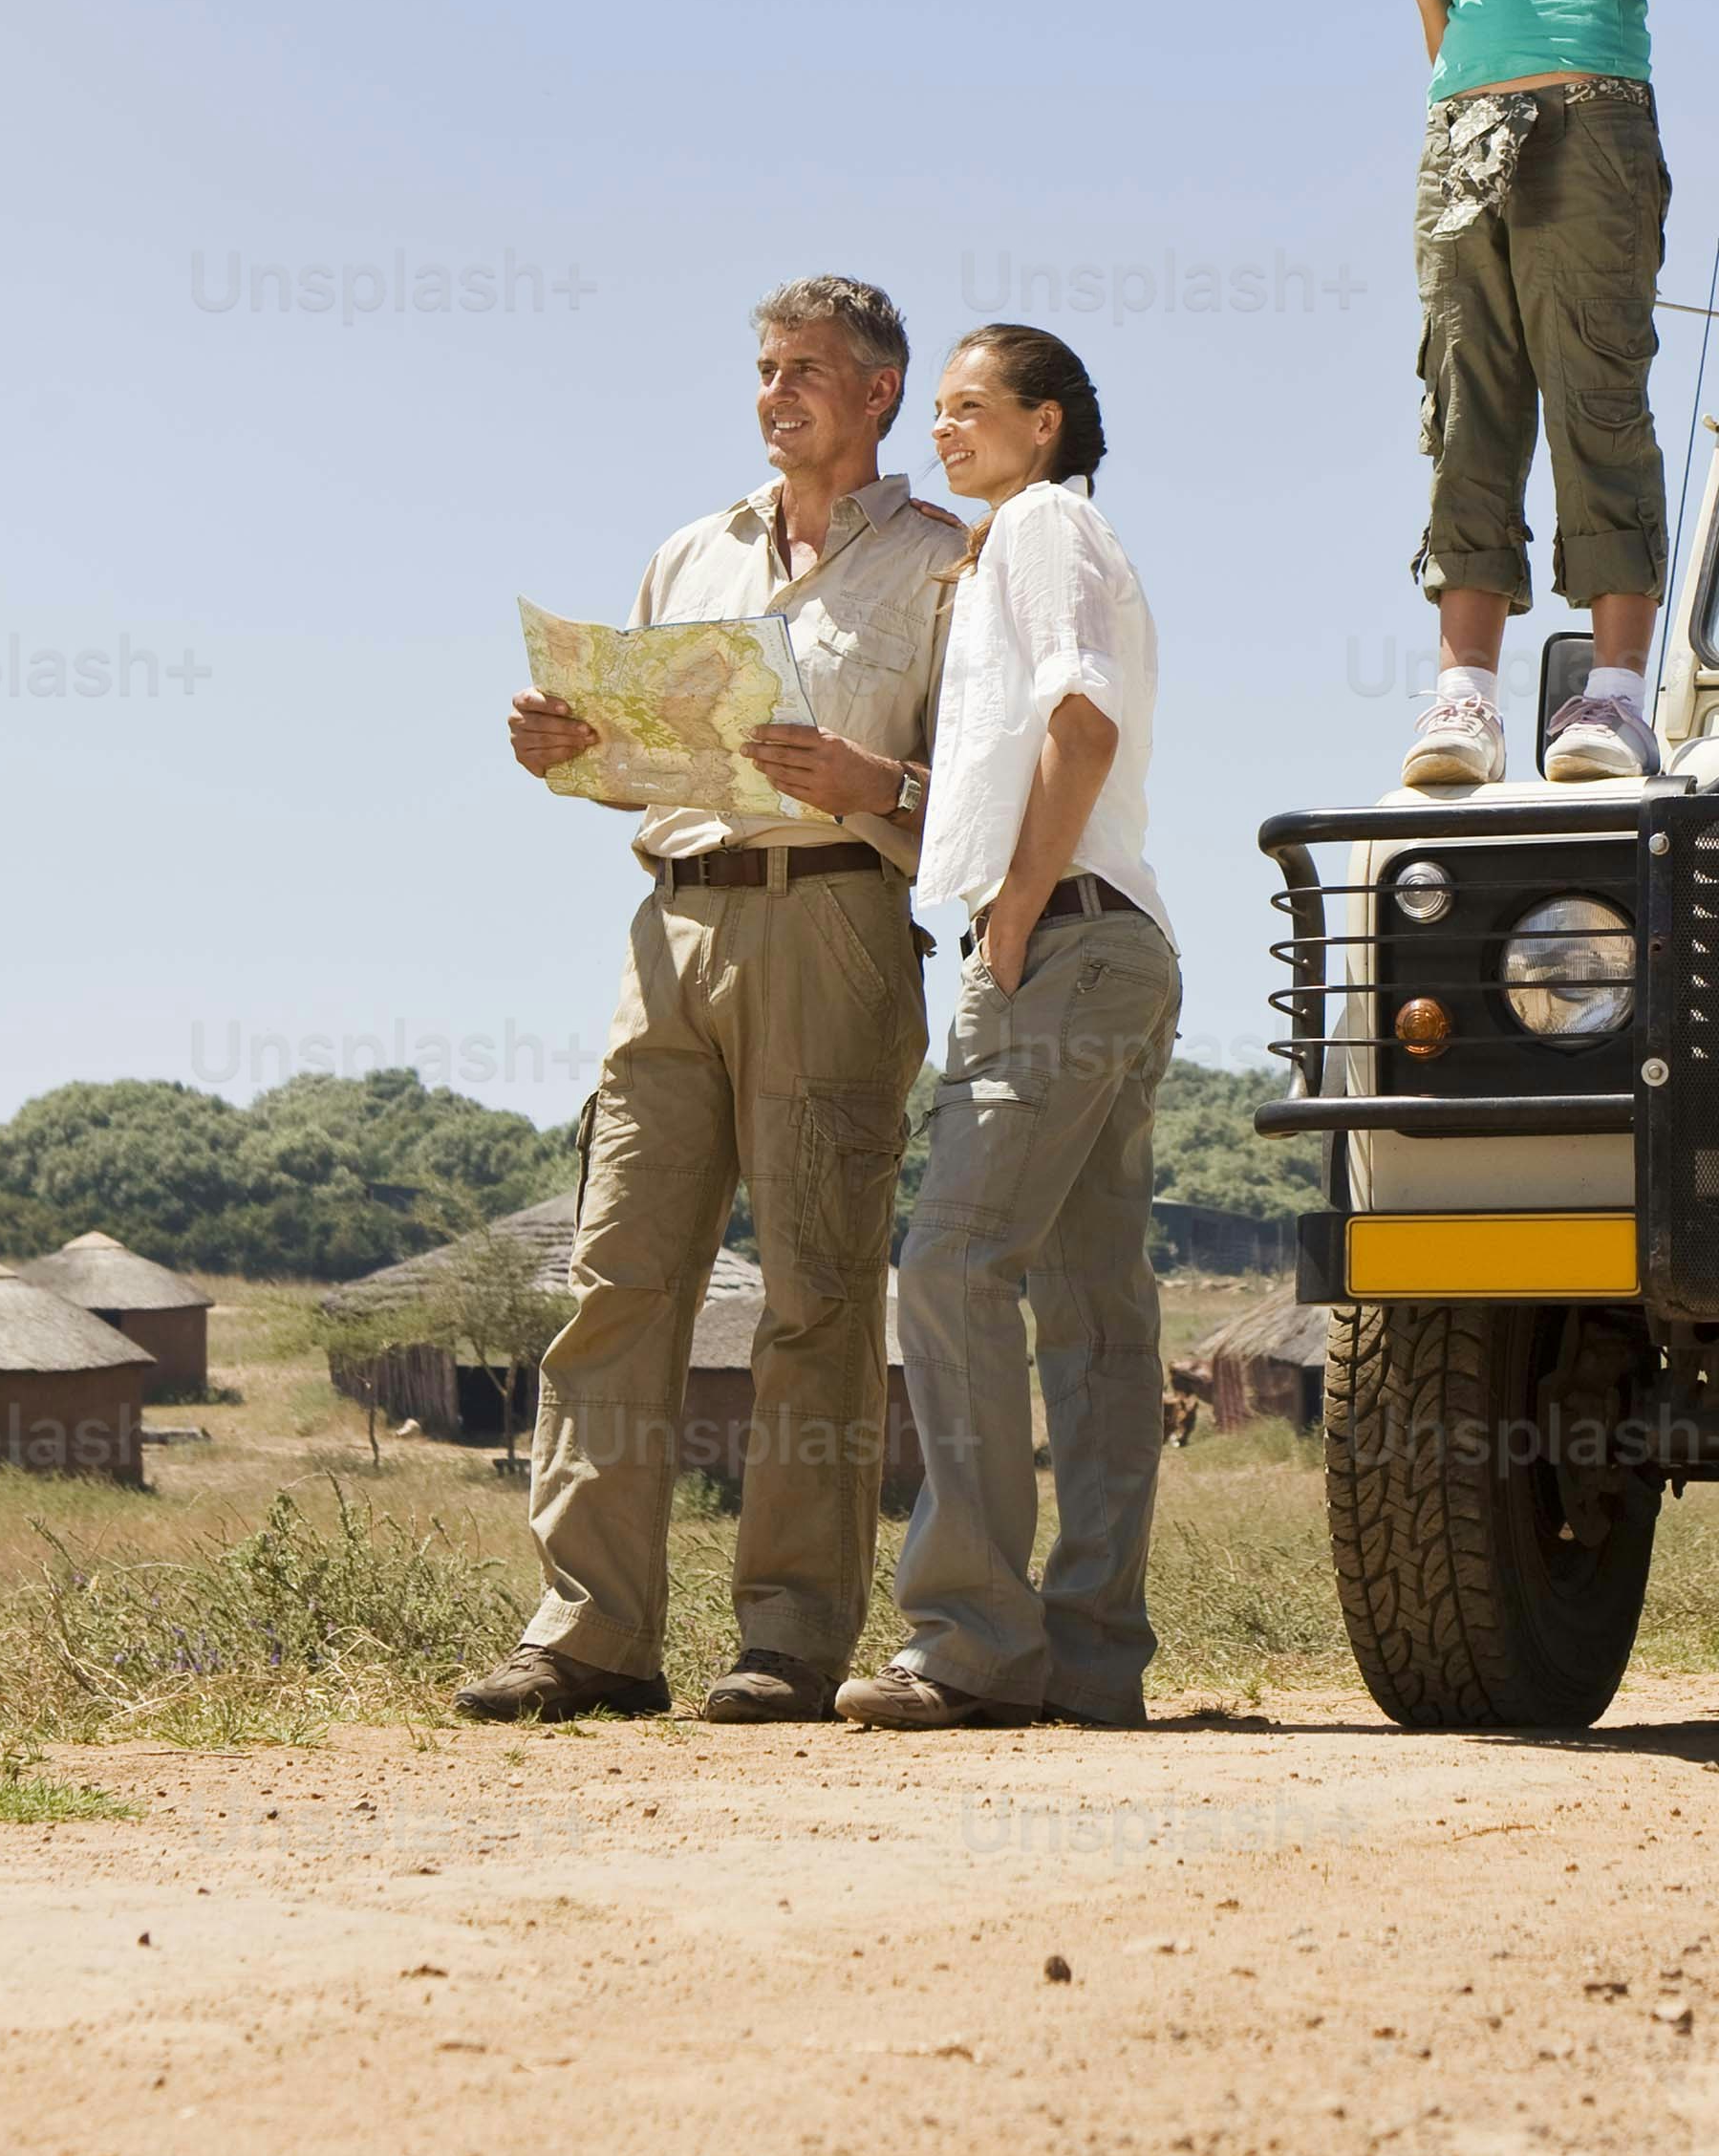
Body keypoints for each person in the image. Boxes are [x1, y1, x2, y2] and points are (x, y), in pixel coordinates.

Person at [457, 277, 966, 1726]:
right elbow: (639, 763)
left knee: (816, 1297)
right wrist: (566, 747)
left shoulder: (945, 566)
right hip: (669, 928)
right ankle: (589, 1635)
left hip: (840, 922)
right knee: (616, 1278)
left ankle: (791, 1641)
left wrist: (879, 787)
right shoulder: (688, 553)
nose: (775, 390)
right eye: (763, 366)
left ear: (881, 391)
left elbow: (979, 803)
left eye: (807, 367)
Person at [838, 323, 1181, 1732]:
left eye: (970, 406)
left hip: (1063, 943)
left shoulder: (1041, 521)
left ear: (1046, 424)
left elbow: (1080, 725)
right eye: (937, 412)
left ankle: (973, 1634)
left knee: (954, 1261)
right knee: (1095, 1312)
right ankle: (1092, 1658)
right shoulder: (1035, 545)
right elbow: (1023, 761)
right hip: (1114, 943)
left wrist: (1015, 910)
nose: (942, 431)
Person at [1368, 0, 1704, 791]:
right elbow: (1463, 43)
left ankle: (1612, 700)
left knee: (1593, 398)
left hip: (1587, 124)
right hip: (1464, 133)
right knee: (1467, 405)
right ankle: (1464, 694)